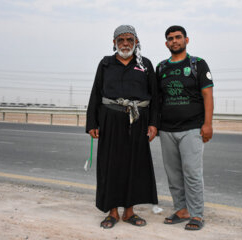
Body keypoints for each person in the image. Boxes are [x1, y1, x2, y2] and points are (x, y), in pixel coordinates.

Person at [86, 25, 158, 229]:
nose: (125, 44)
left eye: (129, 39)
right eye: (120, 40)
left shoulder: (145, 65)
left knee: (134, 166)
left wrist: (153, 123)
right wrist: (92, 123)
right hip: (110, 122)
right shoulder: (106, 63)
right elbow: (95, 93)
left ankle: (129, 212)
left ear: (136, 41)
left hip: (138, 122)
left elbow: (155, 97)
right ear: (114, 43)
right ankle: (112, 212)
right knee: (111, 166)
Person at [156, 25, 214, 230]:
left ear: (186, 40)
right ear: (166, 43)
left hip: (192, 128)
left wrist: (208, 124)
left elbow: (208, 95)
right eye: (170, 38)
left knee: (192, 172)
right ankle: (181, 209)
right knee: (173, 174)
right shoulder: (161, 67)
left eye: (178, 37)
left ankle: (197, 214)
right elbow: (157, 99)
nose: (174, 41)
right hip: (167, 130)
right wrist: (155, 126)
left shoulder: (198, 64)